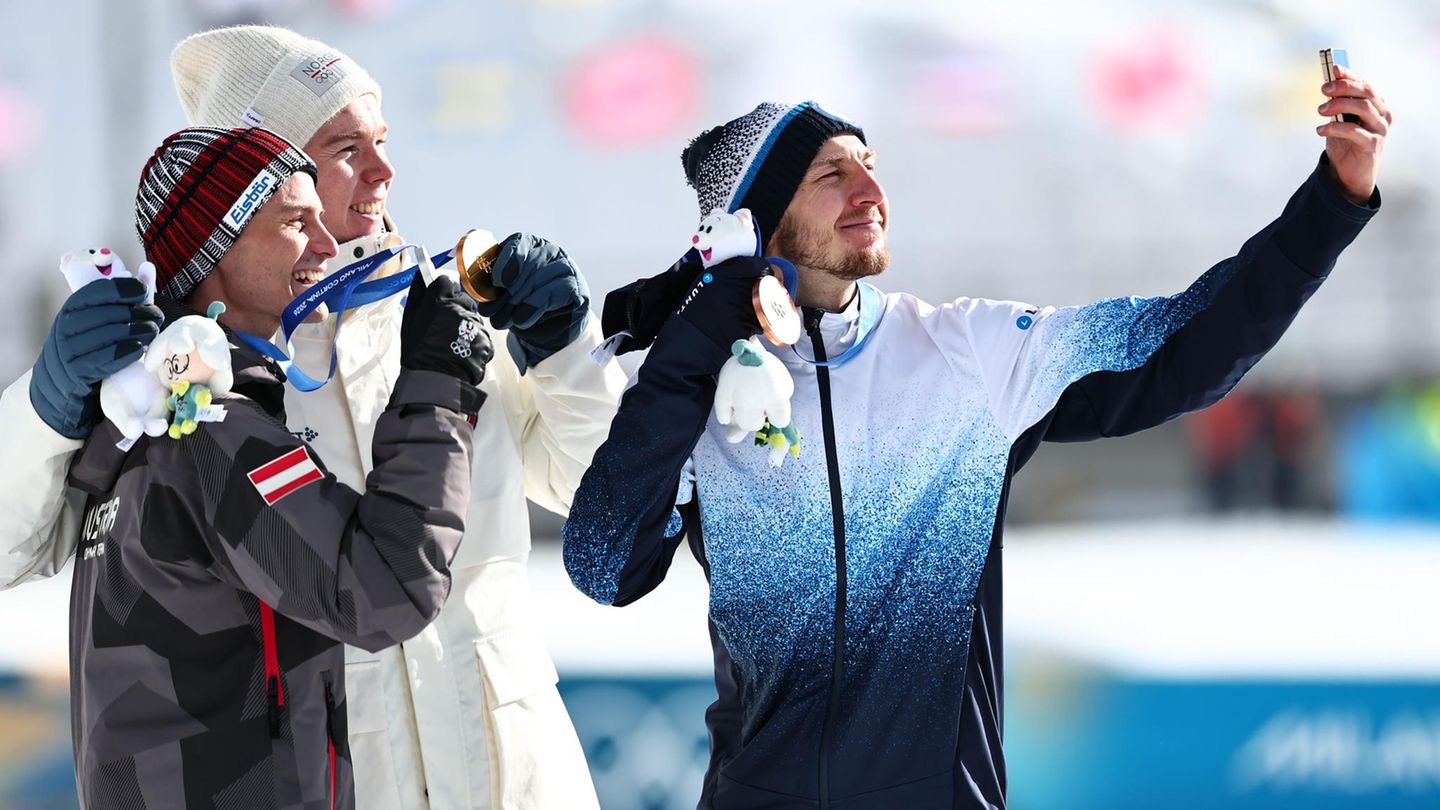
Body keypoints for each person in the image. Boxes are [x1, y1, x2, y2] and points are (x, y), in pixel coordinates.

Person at [562, 64, 1389, 809]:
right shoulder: (681, 392)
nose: (869, 192)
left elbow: (1182, 348)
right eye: (830, 174)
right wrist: (701, 333)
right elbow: (604, 567)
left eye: (870, 167)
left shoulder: (964, 355)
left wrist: (1333, 203)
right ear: (758, 224)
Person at [2, 26, 619, 810]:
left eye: (383, 140)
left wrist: (567, 351)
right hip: (347, 774)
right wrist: (45, 408)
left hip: (514, 773)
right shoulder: (189, 373)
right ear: (269, 164)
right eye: (346, 147)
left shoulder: (443, 317)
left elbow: (595, 504)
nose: (385, 170)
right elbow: (16, 548)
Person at [69, 125, 490, 809]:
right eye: (297, 223)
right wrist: (441, 381)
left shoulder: (149, 414)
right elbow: (385, 590)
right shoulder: (207, 429)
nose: (326, 246)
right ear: (215, 250)